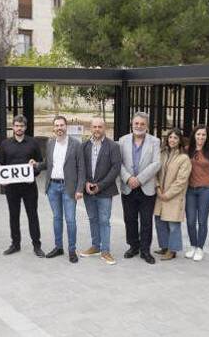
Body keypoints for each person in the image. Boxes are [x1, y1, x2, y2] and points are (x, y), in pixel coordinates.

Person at [32, 115, 85, 263]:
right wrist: (36, 164)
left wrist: (80, 189)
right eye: (56, 126)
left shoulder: (76, 144)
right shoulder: (50, 143)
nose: (59, 128)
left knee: (70, 220)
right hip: (53, 187)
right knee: (56, 218)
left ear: (66, 127)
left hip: (69, 187)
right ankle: (58, 247)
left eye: (62, 125)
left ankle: (72, 250)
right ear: (53, 128)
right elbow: (48, 163)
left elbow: (81, 169)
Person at [0, 115, 44, 257]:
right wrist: (3, 182)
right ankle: (15, 244)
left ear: (25, 127)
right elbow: (1, 165)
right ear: (13, 126)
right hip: (12, 188)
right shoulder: (5, 144)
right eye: (17, 125)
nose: (19, 128)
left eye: (21, 126)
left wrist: (34, 172)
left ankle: (37, 245)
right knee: (14, 215)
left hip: (29, 187)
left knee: (32, 215)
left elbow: (39, 164)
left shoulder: (33, 143)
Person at [118, 112, 161, 264]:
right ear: (132, 124)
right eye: (136, 123)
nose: (139, 126)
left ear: (147, 126)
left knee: (146, 221)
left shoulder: (155, 141)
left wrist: (139, 179)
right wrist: (129, 178)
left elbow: (156, 163)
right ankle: (133, 246)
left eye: (142, 124)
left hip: (146, 187)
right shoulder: (122, 140)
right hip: (128, 186)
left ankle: (145, 250)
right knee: (129, 219)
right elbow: (119, 162)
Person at [80, 117, 122, 265]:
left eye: (100, 127)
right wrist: (85, 183)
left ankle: (106, 251)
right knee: (93, 219)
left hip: (105, 191)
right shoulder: (84, 146)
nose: (97, 129)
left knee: (104, 221)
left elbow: (115, 168)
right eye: (94, 127)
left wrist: (100, 186)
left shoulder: (113, 146)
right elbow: (81, 167)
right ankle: (95, 246)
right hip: (88, 190)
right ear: (90, 128)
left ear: (105, 128)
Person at [154, 128, 192, 261]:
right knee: (160, 222)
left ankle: (173, 250)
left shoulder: (184, 158)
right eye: (170, 137)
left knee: (173, 224)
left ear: (180, 140)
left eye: (175, 138)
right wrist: (158, 188)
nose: (172, 140)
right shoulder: (162, 154)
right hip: (160, 194)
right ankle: (164, 246)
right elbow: (155, 172)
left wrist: (167, 194)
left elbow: (181, 181)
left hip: (174, 196)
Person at [184, 124, 209, 261]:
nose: (201, 137)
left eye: (203, 135)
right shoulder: (187, 150)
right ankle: (193, 245)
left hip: (207, 189)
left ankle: (200, 248)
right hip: (190, 190)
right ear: (194, 136)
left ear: (207, 137)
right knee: (191, 220)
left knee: (202, 221)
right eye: (198, 134)